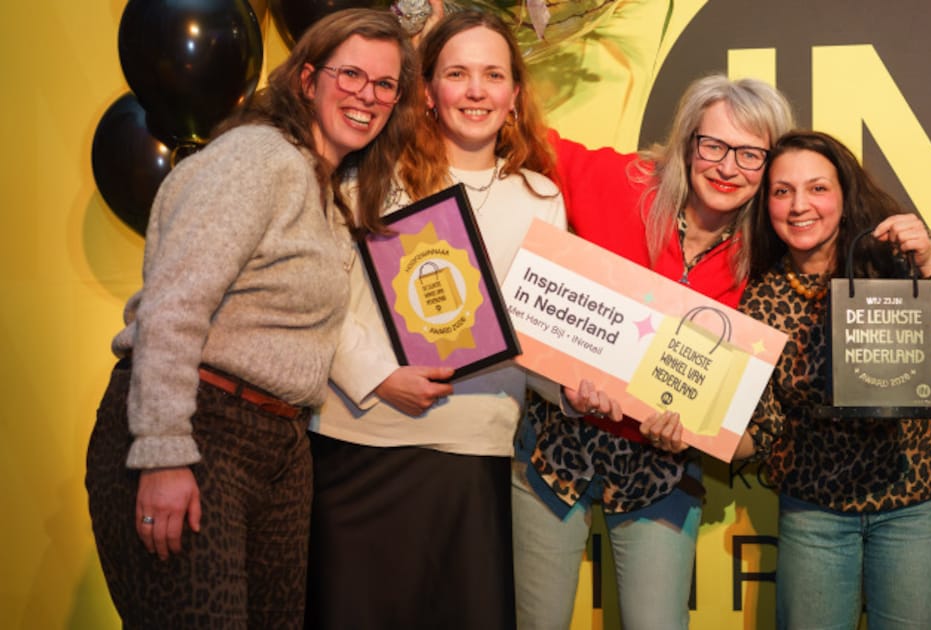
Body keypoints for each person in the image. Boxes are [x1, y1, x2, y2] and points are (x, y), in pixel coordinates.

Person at [83, 8, 416, 628]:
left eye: (384, 84)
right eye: (350, 75)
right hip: (198, 431)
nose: (367, 96)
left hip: (279, 446)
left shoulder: (326, 189)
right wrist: (162, 454)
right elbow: (173, 306)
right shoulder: (255, 159)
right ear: (306, 79)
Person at [304, 10, 618, 629]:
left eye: (493, 74)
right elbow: (317, 299)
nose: (476, 91)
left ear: (515, 94)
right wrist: (378, 376)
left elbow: (535, 335)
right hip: (361, 444)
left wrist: (573, 392)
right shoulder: (368, 175)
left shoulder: (541, 198)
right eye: (457, 73)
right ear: (427, 91)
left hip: (474, 454)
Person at [513, 75, 793, 629]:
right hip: (553, 450)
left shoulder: (767, 252)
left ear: (769, 165)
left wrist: (695, 431)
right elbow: (528, 135)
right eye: (712, 146)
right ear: (688, 142)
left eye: (749, 155)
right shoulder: (624, 183)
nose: (726, 167)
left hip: (659, 472)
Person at [735, 130, 931, 629]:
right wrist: (695, 431)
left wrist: (930, 263)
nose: (799, 206)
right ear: (765, 204)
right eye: (781, 191)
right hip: (815, 509)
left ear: (844, 194)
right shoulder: (760, 298)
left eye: (817, 188)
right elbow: (763, 423)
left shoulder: (899, 256)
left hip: (915, 501)